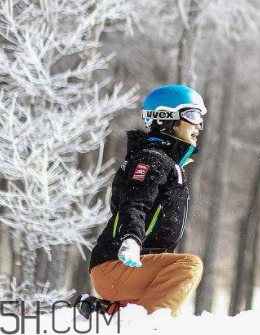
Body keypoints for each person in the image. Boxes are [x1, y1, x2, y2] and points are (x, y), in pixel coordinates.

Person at [78, 84, 206, 318]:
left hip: (135, 267)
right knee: (188, 267)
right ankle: (149, 328)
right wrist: (131, 239)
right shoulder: (151, 158)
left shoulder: (166, 161)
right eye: (192, 115)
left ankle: (104, 311)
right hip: (117, 263)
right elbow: (134, 203)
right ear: (166, 117)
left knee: (155, 303)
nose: (199, 124)